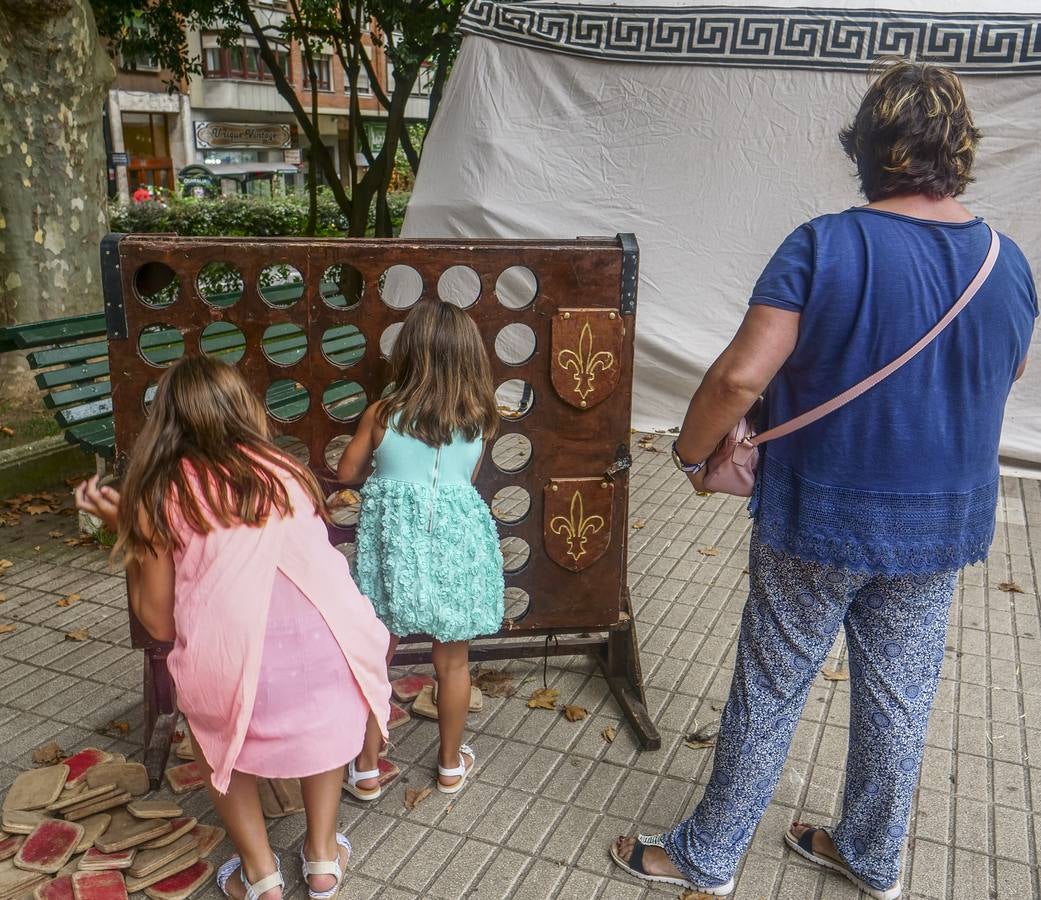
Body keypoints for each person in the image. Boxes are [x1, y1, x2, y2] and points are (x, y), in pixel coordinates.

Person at [611, 59, 1036, 899]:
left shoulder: (825, 244)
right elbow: (1006, 373)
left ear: (868, 147)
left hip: (822, 511)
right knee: (899, 695)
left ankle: (707, 855)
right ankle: (871, 856)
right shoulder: (1006, 261)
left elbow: (738, 379)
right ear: (958, 149)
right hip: (941, 522)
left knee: (771, 683)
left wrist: (692, 457)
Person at [75, 356, 392, 900]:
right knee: (322, 723)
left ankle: (261, 875)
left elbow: (157, 620)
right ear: (245, 408)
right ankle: (321, 861)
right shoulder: (285, 469)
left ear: (165, 422)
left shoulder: (160, 492)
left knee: (213, 729)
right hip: (341, 649)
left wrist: (128, 532)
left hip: (238, 667)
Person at [337, 299, 505, 799]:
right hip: (456, 548)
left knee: (376, 656)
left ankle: (366, 768)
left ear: (408, 352)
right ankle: (450, 766)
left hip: (394, 552)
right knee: (453, 663)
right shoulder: (478, 420)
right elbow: (467, 479)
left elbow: (347, 473)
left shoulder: (383, 414)